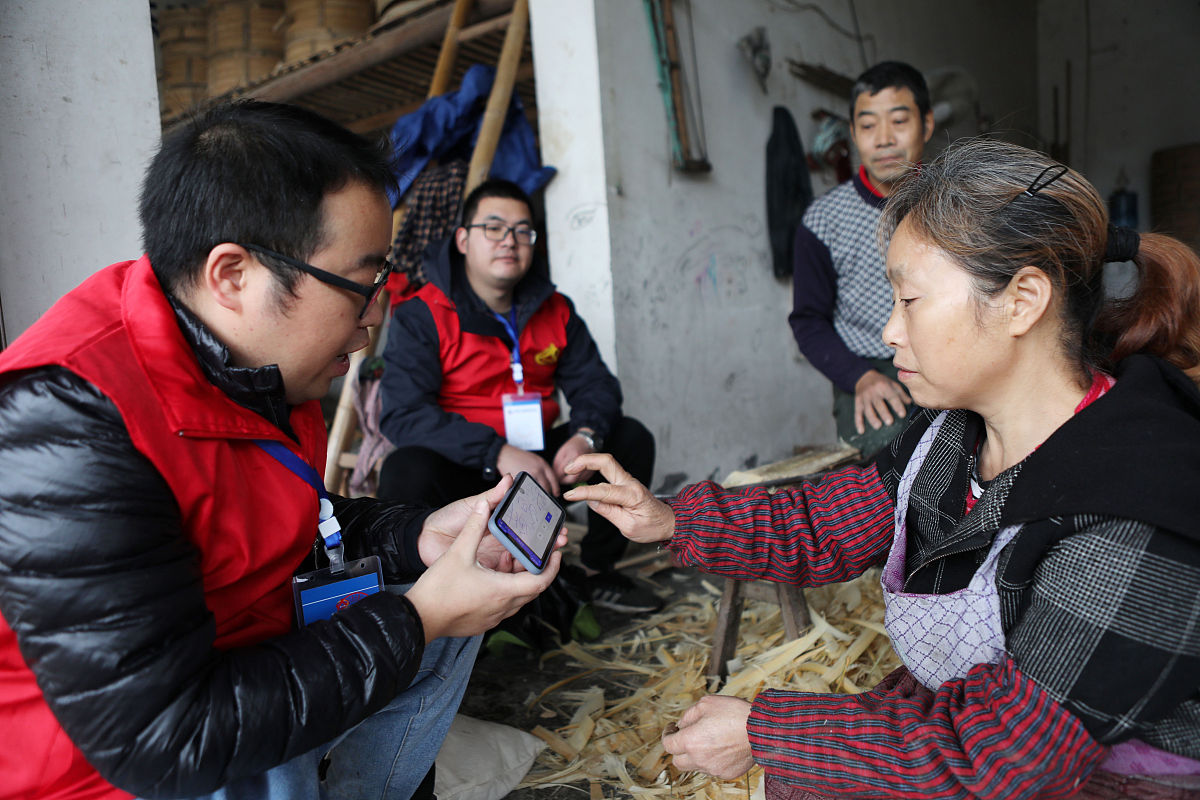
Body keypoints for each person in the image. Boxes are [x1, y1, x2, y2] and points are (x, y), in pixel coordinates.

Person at [565, 139, 1200, 799]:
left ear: (1023, 299)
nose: (890, 332)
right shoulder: (953, 434)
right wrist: (671, 518)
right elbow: (822, 521)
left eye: (911, 301)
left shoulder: (1139, 511)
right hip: (966, 729)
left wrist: (765, 733)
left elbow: (1000, 757)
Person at [0, 100, 563, 800]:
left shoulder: (258, 364)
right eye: (360, 288)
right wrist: (418, 618)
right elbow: (165, 739)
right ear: (233, 276)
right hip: (129, 768)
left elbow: (295, 520)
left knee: (450, 611)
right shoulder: (66, 422)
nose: (372, 319)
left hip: (243, 663)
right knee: (430, 620)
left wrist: (417, 538)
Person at [377, 178, 659, 614]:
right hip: (471, 467)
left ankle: (598, 573)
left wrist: (584, 436)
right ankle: (432, 599)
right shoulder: (422, 314)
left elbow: (596, 386)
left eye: (522, 231)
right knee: (405, 468)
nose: (509, 241)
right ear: (463, 240)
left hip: (544, 465)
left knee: (629, 437)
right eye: (494, 228)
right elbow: (403, 415)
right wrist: (496, 451)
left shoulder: (555, 309)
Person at [789, 61, 935, 458]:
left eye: (899, 121)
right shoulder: (823, 221)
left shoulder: (956, 206)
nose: (884, 139)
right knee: (884, 462)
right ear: (853, 134)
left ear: (927, 125)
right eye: (868, 126)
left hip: (947, 352)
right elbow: (808, 321)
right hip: (871, 367)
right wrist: (859, 378)